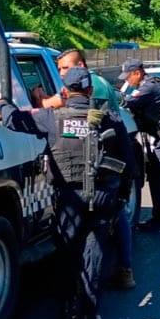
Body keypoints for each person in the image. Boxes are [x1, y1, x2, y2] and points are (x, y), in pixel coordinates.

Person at [0, 67, 136, 319]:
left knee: (68, 252)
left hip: (69, 197)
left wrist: (2, 104)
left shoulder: (51, 118)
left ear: (64, 92)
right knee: (94, 253)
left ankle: (69, 308)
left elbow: (14, 120)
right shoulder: (110, 118)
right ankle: (89, 314)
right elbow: (129, 163)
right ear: (91, 91)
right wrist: (122, 197)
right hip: (103, 194)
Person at [38, 48, 136, 290]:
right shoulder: (91, 82)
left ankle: (122, 270)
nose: (61, 74)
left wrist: (40, 98)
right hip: (99, 168)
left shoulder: (93, 86)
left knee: (113, 219)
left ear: (80, 66)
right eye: (59, 69)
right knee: (110, 218)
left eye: (65, 68)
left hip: (97, 167)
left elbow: (64, 107)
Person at [119, 58, 160, 232]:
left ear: (137, 73)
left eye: (128, 77)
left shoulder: (148, 87)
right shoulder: (153, 83)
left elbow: (125, 102)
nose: (127, 81)